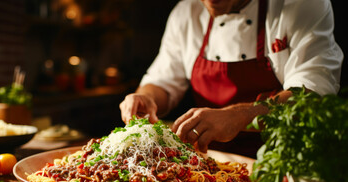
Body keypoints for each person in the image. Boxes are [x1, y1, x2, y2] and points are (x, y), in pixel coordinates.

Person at [119, 0, 343, 158]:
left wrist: (240, 116)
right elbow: (162, 81)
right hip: (213, 165)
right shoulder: (186, 12)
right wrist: (145, 98)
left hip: (283, 169)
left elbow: (312, 98)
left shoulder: (302, 5)